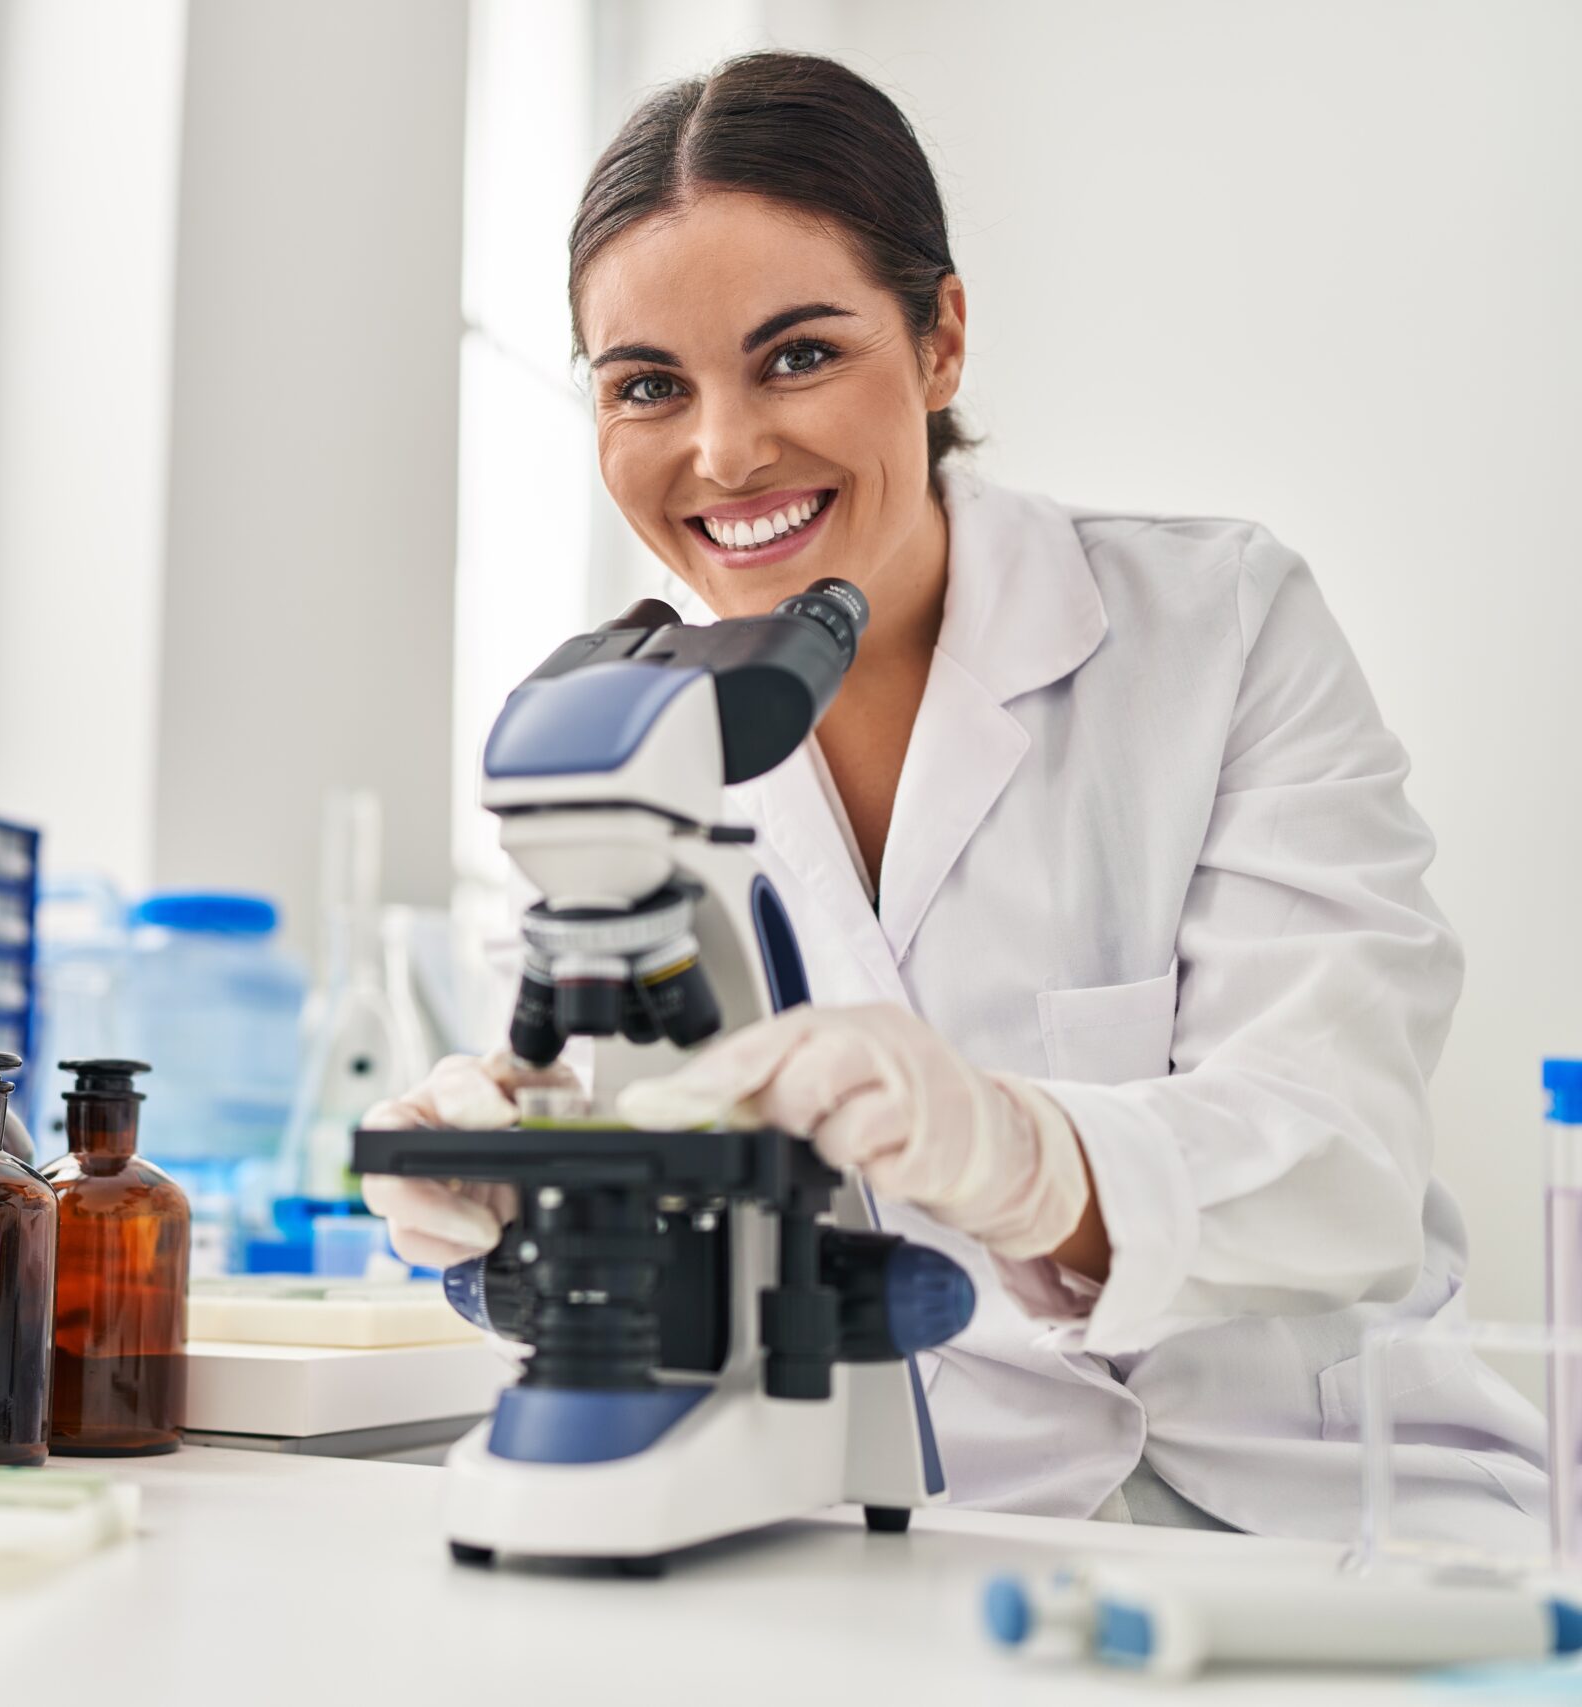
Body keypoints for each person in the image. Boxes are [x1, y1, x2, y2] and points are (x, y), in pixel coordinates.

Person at [363, 51, 1542, 1543]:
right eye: (649, 385)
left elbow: (1344, 1153)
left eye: (798, 354)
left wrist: (1032, 1157)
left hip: (1341, 1516)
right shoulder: (607, 731)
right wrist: (507, 1195)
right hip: (921, 1535)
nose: (725, 451)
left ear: (940, 342)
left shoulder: (1218, 626)